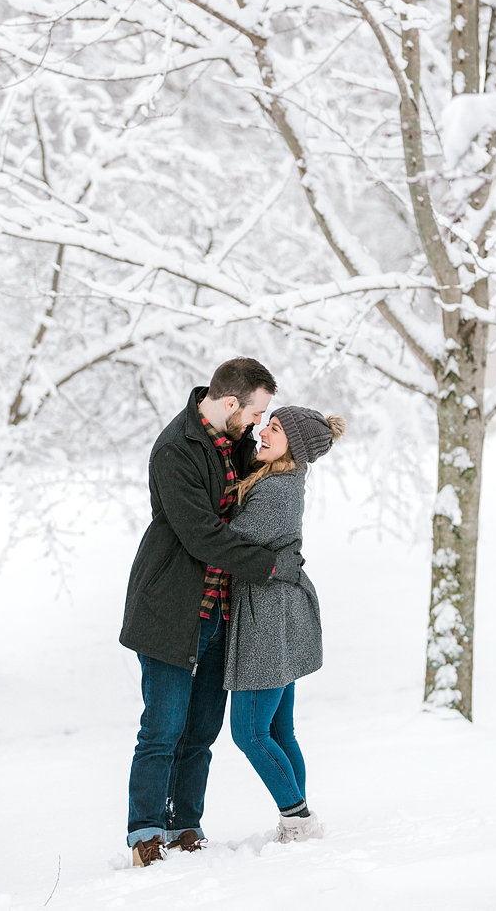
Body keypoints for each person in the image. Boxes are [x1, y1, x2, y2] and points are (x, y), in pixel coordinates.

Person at [119, 358, 305, 867]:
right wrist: (269, 566)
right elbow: (203, 535)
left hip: (223, 610)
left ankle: (185, 826)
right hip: (172, 610)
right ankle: (146, 833)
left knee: (201, 731)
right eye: (255, 413)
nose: (257, 424)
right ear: (230, 404)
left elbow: (277, 473)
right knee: (163, 727)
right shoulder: (176, 449)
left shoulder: (235, 441)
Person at [224, 405, 345, 842]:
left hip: (268, 616)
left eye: (274, 429)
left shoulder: (278, 489)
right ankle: (299, 819)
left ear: (293, 444)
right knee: (277, 729)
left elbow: (230, 540)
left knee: (249, 732)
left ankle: (297, 818)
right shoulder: (277, 479)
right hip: (277, 609)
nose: (263, 433)